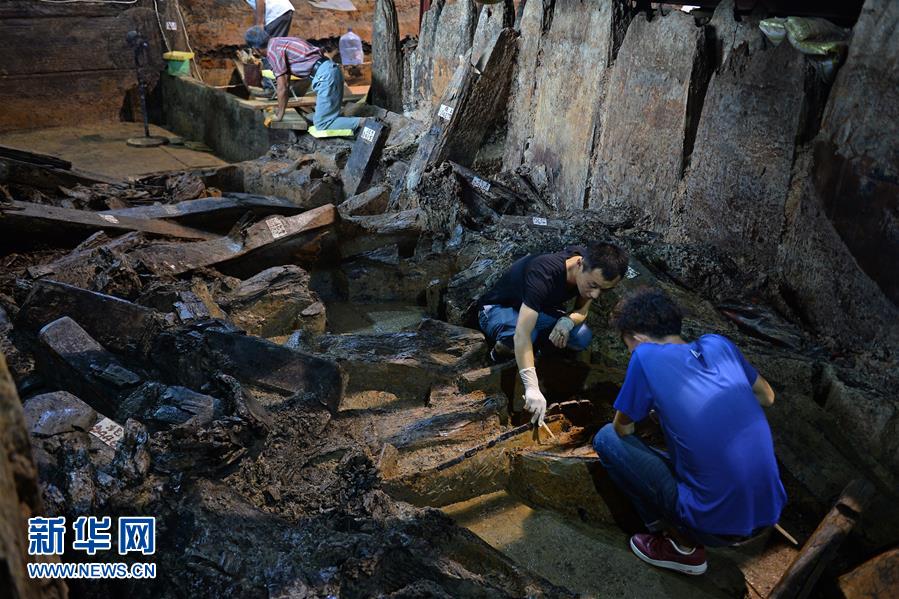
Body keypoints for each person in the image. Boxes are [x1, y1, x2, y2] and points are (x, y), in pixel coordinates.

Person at [593, 288, 786, 575]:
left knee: (606, 438)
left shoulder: (645, 357)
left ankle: (679, 544)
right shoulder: (719, 344)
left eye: (627, 345)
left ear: (637, 336)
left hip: (715, 528)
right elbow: (767, 396)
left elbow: (623, 427)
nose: (630, 352)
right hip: (768, 513)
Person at [477, 242, 629, 426]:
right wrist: (531, 386)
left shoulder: (587, 264)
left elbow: (582, 310)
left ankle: (538, 357)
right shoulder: (544, 272)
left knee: (581, 336)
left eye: (604, 290)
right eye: (593, 285)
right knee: (528, 336)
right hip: (498, 308)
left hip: (537, 311)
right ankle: (499, 353)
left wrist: (567, 321)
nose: (596, 295)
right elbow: (522, 334)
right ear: (580, 265)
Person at [245, 27, 361, 132]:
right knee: (312, 117)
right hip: (329, 70)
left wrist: (279, 115)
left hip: (325, 76)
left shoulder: (273, 52)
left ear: (255, 49)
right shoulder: (280, 41)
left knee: (322, 124)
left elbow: (282, 88)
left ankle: (365, 123)